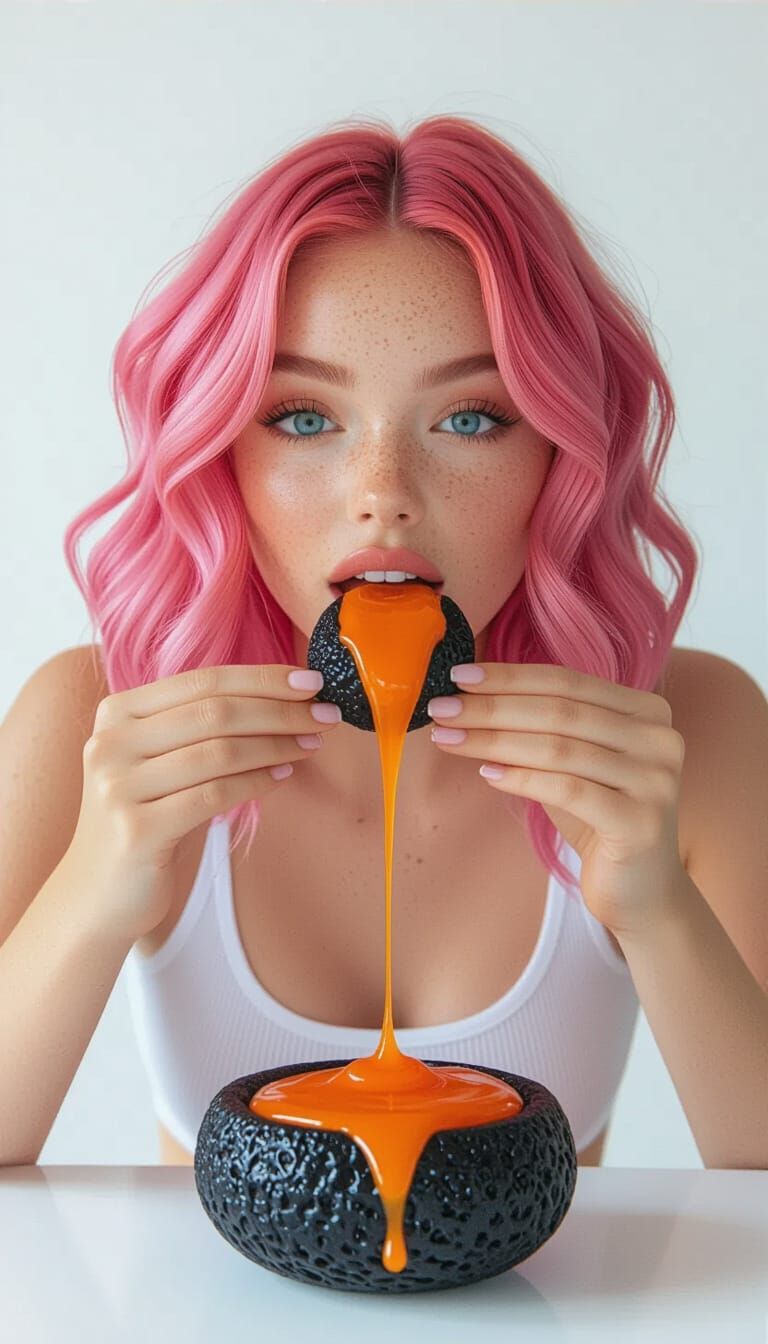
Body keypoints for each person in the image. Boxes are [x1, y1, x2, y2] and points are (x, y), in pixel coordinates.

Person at [2, 116, 766, 1174]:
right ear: (220, 450)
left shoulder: (694, 727)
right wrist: (97, 883)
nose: (384, 501)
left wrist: (659, 908)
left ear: (562, 454)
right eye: (305, 418)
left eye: (470, 420)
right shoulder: (95, 721)